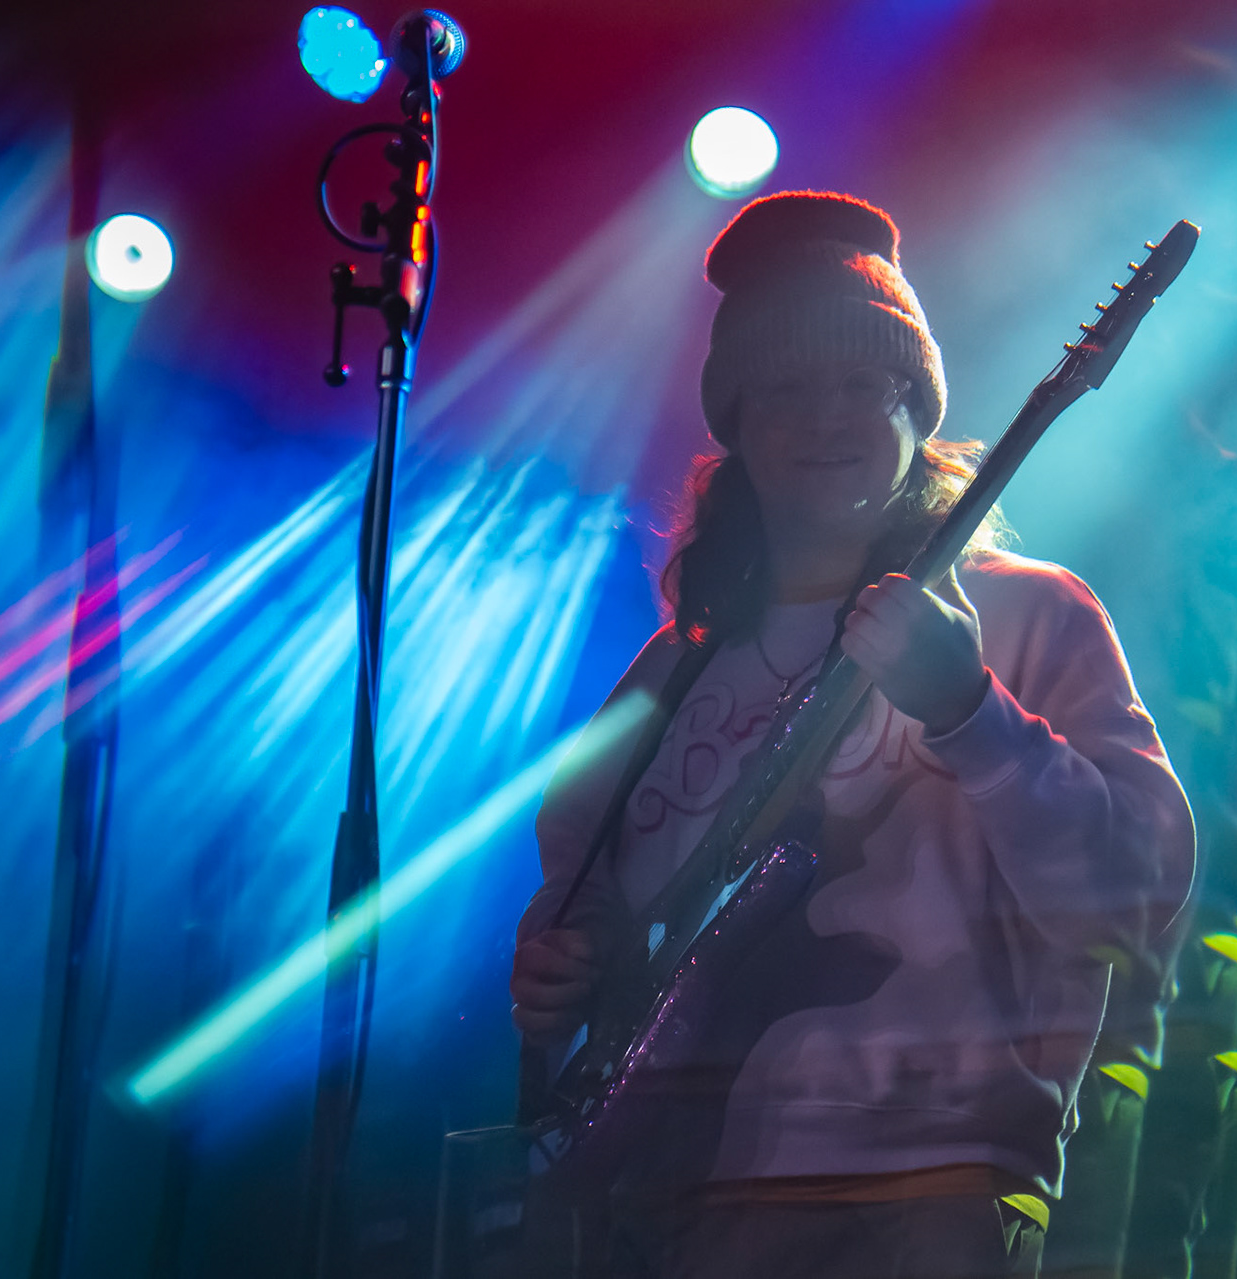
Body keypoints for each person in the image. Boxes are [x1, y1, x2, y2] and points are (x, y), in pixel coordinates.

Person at [509, 190, 1195, 1278]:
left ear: (917, 406)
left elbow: (1134, 901)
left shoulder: (1029, 615)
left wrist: (970, 712)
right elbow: (581, 884)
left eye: (862, 384)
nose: (825, 418)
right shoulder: (672, 669)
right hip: (680, 1200)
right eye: (786, 389)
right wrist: (565, 956)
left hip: (933, 1186)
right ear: (736, 424)